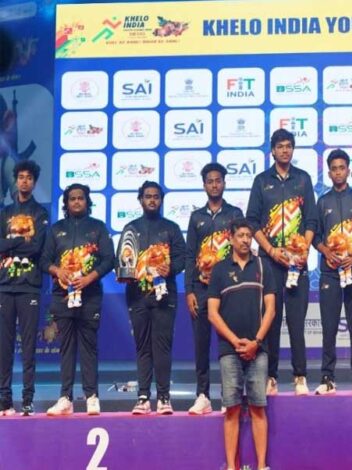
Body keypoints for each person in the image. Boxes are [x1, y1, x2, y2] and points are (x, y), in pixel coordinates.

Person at [246, 128, 317, 396]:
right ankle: (271, 377)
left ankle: (300, 376)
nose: (285, 150)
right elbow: (252, 221)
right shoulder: (261, 181)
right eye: (280, 146)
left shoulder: (303, 179)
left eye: (289, 146)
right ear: (273, 151)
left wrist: (303, 249)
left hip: (297, 264)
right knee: (271, 322)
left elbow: (311, 220)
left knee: (297, 323)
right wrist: (270, 250)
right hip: (270, 263)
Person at [41, 184, 114, 415]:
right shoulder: (56, 230)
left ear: (87, 201)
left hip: (90, 297)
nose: (76, 202)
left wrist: (89, 278)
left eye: (80, 198)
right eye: (72, 199)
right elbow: (43, 260)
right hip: (62, 297)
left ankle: (92, 396)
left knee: (89, 348)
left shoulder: (98, 227)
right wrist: (57, 271)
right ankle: (65, 398)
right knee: (66, 348)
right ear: (66, 203)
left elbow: (109, 259)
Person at [208, 218, 276, 470]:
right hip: (229, 350)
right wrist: (235, 340)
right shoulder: (219, 270)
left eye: (249, 235)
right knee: (232, 410)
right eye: (241, 235)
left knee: (258, 408)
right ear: (231, 238)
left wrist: (256, 342)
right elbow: (212, 313)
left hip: (258, 350)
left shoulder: (263, 266)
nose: (246, 240)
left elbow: (271, 309)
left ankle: (261, 466)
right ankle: (231, 467)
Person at [119, 181, 185, 415]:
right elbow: (122, 262)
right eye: (148, 196)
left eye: (156, 196)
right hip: (137, 297)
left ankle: (164, 397)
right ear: (141, 200)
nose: (152, 200)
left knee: (162, 347)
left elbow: (182, 258)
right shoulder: (130, 229)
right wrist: (125, 273)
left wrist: (171, 268)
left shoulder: (172, 228)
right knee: (143, 348)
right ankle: (143, 397)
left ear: (161, 200)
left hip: (164, 296)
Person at [185, 163, 243, 414]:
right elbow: (190, 255)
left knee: (229, 343)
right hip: (201, 289)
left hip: (228, 289)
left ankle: (231, 395)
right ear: (204, 185)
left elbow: (241, 249)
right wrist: (189, 290)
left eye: (218, 180)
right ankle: (203, 395)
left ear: (224, 183)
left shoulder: (235, 214)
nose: (214, 185)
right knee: (201, 343)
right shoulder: (196, 217)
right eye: (210, 181)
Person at [314, 149, 352, 394]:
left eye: (342, 168)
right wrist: (326, 252)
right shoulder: (322, 202)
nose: (338, 172)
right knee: (329, 327)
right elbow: (315, 235)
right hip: (329, 273)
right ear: (329, 173)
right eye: (334, 169)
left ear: (348, 170)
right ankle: (327, 377)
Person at [0, 161, 48, 416]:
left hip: (29, 286)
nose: (24, 181)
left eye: (29, 177)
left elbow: (37, 247)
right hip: (5, 286)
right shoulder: (5, 213)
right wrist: (20, 242)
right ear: (16, 180)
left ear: (34, 182)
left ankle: (27, 399)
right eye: (21, 177)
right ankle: (4, 400)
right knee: (4, 346)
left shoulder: (40, 213)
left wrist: (10, 244)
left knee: (29, 347)